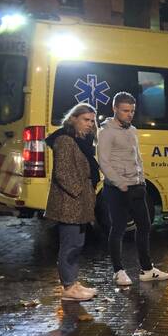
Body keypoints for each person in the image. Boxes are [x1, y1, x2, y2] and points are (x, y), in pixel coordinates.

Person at [97, 91, 168, 286]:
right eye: (125, 111)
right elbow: (103, 162)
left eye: (132, 111)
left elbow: (137, 158)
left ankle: (147, 269)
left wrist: (142, 180)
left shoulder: (133, 130)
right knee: (118, 228)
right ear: (115, 110)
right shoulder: (106, 132)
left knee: (145, 226)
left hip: (137, 187)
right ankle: (118, 271)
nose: (129, 114)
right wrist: (120, 184)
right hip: (117, 189)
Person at [45, 103, 100, 301]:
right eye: (86, 120)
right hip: (69, 202)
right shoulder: (65, 140)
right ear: (73, 118)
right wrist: (80, 193)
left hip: (79, 201)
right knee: (70, 245)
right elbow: (63, 173)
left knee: (77, 243)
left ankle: (73, 283)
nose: (90, 124)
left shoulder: (80, 140)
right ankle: (68, 288)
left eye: (92, 121)